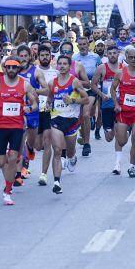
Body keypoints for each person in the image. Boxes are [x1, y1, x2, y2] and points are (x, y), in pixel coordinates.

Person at [0, 58, 38, 205]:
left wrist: (30, 108)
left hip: (17, 127)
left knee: (13, 157)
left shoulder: (24, 84)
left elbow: (35, 102)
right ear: (4, 68)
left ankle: (7, 191)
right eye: (8, 67)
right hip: (1, 126)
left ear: (18, 69)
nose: (11, 70)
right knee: (1, 162)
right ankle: (9, 175)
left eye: (14, 68)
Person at [46, 55, 89, 193]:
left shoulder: (74, 82)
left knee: (70, 151)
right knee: (57, 150)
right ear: (57, 65)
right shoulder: (52, 83)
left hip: (71, 121)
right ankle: (57, 182)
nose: (63, 66)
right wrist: (48, 105)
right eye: (60, 64)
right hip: (56, 119)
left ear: (69, 66)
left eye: (65, 64)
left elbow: (86, 99)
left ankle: (72, 158)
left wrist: (72, 101)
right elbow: (50, 98)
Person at [110, 47, 135, 177]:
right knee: (122, 141)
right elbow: (112, 89)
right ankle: (125, 134)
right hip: (123, 111)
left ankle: (132, 167)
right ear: (126, 58)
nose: (133, 60)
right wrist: (116, 104)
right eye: (131, 57)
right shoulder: (120, 73)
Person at [16, 45, 49, 186]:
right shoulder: (13, 72)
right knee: (18, 141)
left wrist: (34, 90)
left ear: (30, 56)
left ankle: (30, 149)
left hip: (33, 111)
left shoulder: (36, 72)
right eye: (20, 56)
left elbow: (47, 90)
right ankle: (18, 174)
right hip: (18, 112)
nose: (23, 59)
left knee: (33, 142)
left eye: (25, 56)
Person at [73, 36, 101, 156]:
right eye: (81, 44)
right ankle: (84, 136)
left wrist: (99, 84)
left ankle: (87, 143)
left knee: (85, 114)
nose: (83, 46)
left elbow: (101, 71)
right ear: (77, 46)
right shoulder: (74, 58)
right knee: (80, 117)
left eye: (85, 44)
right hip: (78, 89)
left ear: (88, 45)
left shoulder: (95, 57)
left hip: (91, 89)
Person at [35, 46, 58, 186]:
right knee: (37, 145)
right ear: (38, 57)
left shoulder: (55, 73)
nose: (44, 57)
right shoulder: (34, 72)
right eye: (42, 55)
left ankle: (43, 174)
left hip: (50, 110)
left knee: (47, 140)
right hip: (35, 110)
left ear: (51, 56)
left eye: (46, 54)